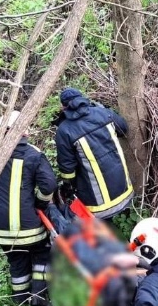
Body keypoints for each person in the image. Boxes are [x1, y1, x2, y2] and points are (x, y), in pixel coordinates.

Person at [0, 111, 57, 306]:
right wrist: (41, 203)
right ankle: (39, 295)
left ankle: (20, 301)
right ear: (25, 130)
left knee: (16, 259)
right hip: (27, 226)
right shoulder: (33, 154)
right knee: (42, 251)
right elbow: (49, 185)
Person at [55, 88, 134, 222]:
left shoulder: (64, 130)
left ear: (63, 107)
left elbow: (67, 169)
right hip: (126, 193)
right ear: (82, 99)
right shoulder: (103, 113)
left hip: (99, 207)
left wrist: (68, 187)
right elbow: (123, 128)